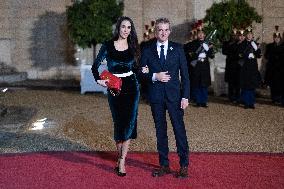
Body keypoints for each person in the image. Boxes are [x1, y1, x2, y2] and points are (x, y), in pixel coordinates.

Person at [139, 17, 190, 178]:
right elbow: (140, 72)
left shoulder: (178, 48)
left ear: (170, 31)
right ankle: (164, 165)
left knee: (179, 130)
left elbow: (186, 76)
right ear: (156, 31)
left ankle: (184, 165)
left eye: (166, 29)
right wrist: (155, 76)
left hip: (175, 97)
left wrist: (185, 96)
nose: (163, 32)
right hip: (156, 97)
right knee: (161, 131)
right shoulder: (147, 49)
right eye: (160, 29)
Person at [91, 16, 140, 177]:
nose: (126, 30)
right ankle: (120, 157)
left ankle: (122, 161)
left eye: (129, 27)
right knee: (119, 123)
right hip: (114, 87)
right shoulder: (107, 45)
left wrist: (144, 71)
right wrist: (99, 80)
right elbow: (95, 66)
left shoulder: (133, 46)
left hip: (132, 87)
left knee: (130, 122)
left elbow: (137, 68)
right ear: (118, 28)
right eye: (123, 27)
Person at [184, 29, 214, 107]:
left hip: (204, 66)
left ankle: (204, 101)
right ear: (197, 35)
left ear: (204, 35)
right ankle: (198, 100)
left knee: (204, 84)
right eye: (199, 33)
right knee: (196, 83)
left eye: (202, 33)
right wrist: (198, 53)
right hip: (196, 66)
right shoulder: (192, 44)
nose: (200, 35)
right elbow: (189, 54)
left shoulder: (208, 44)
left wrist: (208, 49)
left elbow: (212, 56)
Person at [237, 28, 262, 109]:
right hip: (245, 66)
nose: (249, 35)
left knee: (252, 85)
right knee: (247, 84)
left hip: (253, 66)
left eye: (250, 34)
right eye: (248, 34)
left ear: (252, 36)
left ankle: (251, 102)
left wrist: (256, 50)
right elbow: (239, 54)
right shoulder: (242, 44)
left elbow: (258, 55)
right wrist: (247, 55)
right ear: (245, 35)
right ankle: (246, 102)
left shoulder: (255, 43)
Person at [264, 26, 284, 106]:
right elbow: (266, 55)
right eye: (275, 37)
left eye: (278, 38)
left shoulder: (283, 46)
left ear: (280, 38)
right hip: (272, 67)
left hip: (280, 68)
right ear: (273, 38)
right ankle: (273, 98)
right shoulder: (269, 46)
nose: (276, 39)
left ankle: (279, 98)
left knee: (280, 84)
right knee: (273, 83)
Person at [222, 30, 240, 104]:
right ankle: (231, 97)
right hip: (230, 64)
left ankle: (237, 97)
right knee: (231, 82)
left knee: (238, 82)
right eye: (232, 35)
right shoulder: (227, 43)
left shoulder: (239, 43)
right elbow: (224, 51)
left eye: (235, 35)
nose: (234, 36)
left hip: (238, 65)